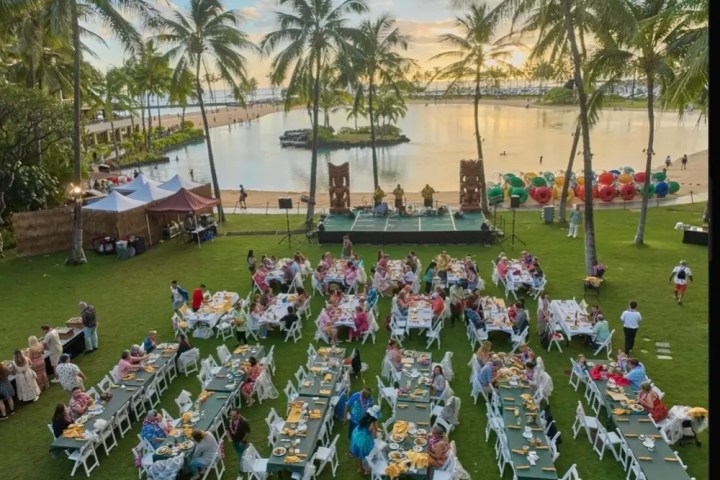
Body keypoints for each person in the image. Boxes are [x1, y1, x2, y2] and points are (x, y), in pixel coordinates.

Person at [350, 406, 381, 474]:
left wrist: (377, 430)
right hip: (364, 440)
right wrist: (378, 436)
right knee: (368, 453)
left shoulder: (364, 417)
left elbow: (375, 428)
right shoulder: (373, 423)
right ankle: (367, 469)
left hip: (357, 435)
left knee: (359, 453)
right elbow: (374, 437)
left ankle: (359, 467)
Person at [227, 408, 250, 475]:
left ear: (238, 415)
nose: (232, 417)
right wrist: (228, 437)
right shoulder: (229, 421)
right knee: (244, 452)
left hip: (241, 442)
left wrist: (242, 441)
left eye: (234, 416)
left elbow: (248, 432)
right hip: (234, 442)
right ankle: (251, 460)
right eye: (231, 415)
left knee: (240, 455)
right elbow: (227, 429)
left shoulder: (243, 422)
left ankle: (241, 470)